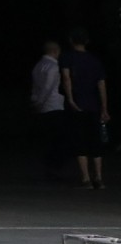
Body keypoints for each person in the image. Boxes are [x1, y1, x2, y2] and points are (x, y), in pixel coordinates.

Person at [60, 27, 110, 189]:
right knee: (96, 141)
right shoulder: (95, 60)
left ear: (71, 40)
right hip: (94, 104)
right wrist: (104, 107)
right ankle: (99, 178)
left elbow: (66, 78)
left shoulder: (67, 57)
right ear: (87, 41)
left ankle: (86, 178)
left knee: (80, 140)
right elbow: (101, 84)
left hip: (78, 103)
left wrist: (70, 99)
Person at [30, 38, 66, 180]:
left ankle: (48, 168)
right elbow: (48, 88)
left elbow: (36, 87)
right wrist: (40, 102)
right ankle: (54, 169)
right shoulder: (53, 66)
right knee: (58, 140)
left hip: (43, 108)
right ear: (55, 51)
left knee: (48, 139)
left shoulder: (38, 65)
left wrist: (35, 101)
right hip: (53, 105)